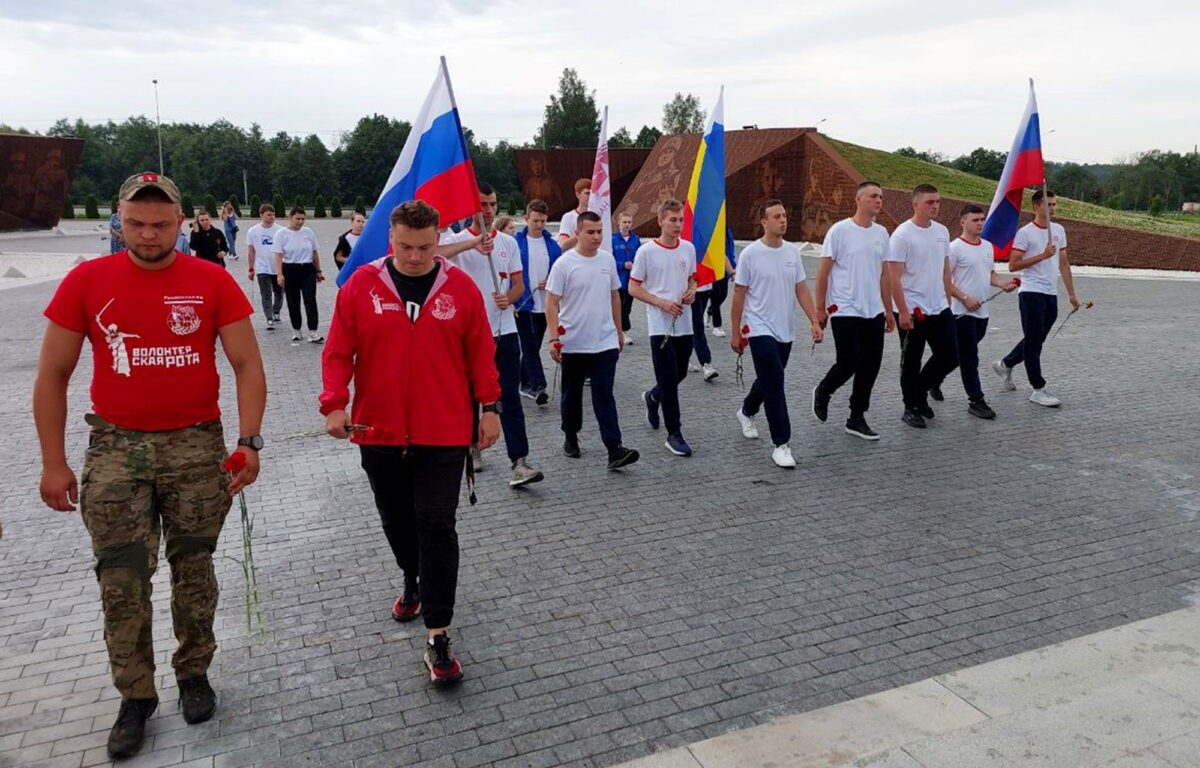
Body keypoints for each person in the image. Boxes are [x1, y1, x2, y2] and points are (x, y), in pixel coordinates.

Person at [33, 172, 265, 759]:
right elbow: (52, 375)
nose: (148, 234)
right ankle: (135, 696)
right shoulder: (87, 281)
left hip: (195, 446)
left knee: (194, 569)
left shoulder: (211, 282)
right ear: (119, 219)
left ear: (181, 221)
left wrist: (250, 442)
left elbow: (246, 364)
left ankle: (194, 673)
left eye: (161, 224)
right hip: (115, 448)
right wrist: (53, 462)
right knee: (121, 578)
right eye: (136, 223)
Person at [321, 199, 500, 687]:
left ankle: (438, 632)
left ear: (437, 240)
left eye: (425, 247)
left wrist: (490, 407)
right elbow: (339, 351)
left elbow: (481, 352)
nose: (416, 256)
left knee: (437, 524)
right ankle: (411, 577)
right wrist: (333, 403)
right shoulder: (361, 285)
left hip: (443, 432)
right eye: (405, 247)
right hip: (376, 430)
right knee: (396, 520)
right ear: (390, 241)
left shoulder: (460, 289)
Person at [439, 182, 545, 488]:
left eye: (491, 204)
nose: (487, 210)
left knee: (508, 397)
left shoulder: (508, 244)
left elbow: (518, 285)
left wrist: (509, 298)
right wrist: (471, 245)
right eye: (482, 204)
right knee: (468, 396)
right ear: (471, 207)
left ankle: (520, 461)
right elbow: (435, 253)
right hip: (465, 335)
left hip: (503, 331)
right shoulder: (455, 240)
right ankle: (472, 445)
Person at [730, 199, 822, 469]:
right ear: (764, 222)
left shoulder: (792, 253)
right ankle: (781, 444)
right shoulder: (750, 255)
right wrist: (736, 331)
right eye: (777, 216)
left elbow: (801, 289)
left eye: (784, 215)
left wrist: (814, 320)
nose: (783, 220)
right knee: (775, 384)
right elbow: (738, 294)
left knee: (770, 378)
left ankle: (746, 410)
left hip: (785, 329)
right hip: (758, 328)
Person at [546, 211, 639, 470]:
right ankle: (570, 434)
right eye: (590, 232)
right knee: (572, 395)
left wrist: (618, 331)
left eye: (599, 231)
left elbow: (614, 297)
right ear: (578, 233)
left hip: (604, 341)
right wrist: (553, 338)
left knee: (604, 395)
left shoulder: (607, 260)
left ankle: (614, 448)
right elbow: (552, 302)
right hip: (573, 342)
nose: (596, 236)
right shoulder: (564, 264)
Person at [812, 181, 894, 440]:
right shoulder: (840, 231)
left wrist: (889, 310)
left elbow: (884, 274)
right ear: (858, 199)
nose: (878, 201)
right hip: (845, 307)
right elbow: (823, 271)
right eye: (873, 196)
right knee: (850, 361)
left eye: (880, 197)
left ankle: (856, 417)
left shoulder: (881, 233)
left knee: (871, 365)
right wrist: (819, 308)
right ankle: (824, 389)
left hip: (874, 310)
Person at [924, 204, 1019, 419]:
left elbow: (990, 274)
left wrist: (1003, 284)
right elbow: (945, 280)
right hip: (961, 313)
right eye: (975, 220)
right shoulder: (954, 248)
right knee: (969, 357)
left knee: (956, 356)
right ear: (963, 222)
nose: (980, 224)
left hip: (981, 313)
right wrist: (964, 298)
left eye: (982, 219)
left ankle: (934, 380)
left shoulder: (987, 246)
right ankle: (976, 400)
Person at [993, 190, 1080, 407]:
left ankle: (1006, 363)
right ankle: (1038, 388)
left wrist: (1071, 294)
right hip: (1031, 291)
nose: (1052, 209)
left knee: (1036, 339)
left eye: (1054, 205)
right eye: (1048, 205)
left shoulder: (1058, 230)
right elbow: (1013, 264)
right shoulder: (1025, 233)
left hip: (1050, 292)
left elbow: (1064, 263)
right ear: (1036, 207)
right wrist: (1042, 255)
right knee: (1034, 342)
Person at [628, 199, 697, 456]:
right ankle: (674, 433)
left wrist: (691, 291)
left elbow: (691, 277)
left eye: (680, 220)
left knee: (680, 373)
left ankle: (653, 397)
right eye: (673, 220)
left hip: (685, 322)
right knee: (669, 379)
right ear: (661, 221)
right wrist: (660, 302)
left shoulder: (688, 249)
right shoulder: (646, 252)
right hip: (660, 325)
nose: (678, 225)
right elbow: (633, 287)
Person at [887, 184, 958, 429]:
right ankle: (911, 406)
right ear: (915, 204)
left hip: (940, 307)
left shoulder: (942, 231)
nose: (935, 206)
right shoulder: (902, 235)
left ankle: (920, 391)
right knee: (911, 361)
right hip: (913, 311)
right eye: (930, 202)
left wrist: (948, 300)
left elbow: (945, 267)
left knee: (950, 355)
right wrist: (903, 312)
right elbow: (894, 277)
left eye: (938, 202)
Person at [514, 199, 562, 407]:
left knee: (534, 343)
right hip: (523, 302)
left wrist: (551, 281)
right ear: (526, 219)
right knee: (529, 345)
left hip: (545, 304)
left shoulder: (551, 245)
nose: (539, 225)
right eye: (535, 221)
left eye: (543, 221)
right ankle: (539, 385)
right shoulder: (516, 243)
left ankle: (523, 380)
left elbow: (559, 270)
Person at [273, 206, 325, 344]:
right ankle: (297, 329)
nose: (300, 222)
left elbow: (314, 252)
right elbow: (278, 255)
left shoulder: (308, 232)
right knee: (293, 301)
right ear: (290, 218)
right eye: (297, 219)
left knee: (310, 300)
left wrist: (319, 271)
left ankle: (313, 331)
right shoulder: (281, 234)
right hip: (289, 269)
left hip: (307, 269)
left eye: (303, 219)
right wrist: (279, 274)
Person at [246, 204, 284, 330]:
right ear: (261, 215)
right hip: (263, 268)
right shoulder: (253, 231)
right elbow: (251, 250)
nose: (272, 217)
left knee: (279, 292)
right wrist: (251, 268)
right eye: (268, 214)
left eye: (273, 214)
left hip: (278, 268)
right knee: (266, 294)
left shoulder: (281, 230)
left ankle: (276, 310)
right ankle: (269, 318)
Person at [612, 212, 641, 345]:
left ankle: (622, 329)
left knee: (628, 306)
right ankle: (621, 330)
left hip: (631, 279)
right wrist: (622, 265)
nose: (627, 225)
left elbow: (640, 256)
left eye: (629, 222)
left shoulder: (635, 239)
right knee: (619, 305)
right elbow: (610, 258)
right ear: (619, 223)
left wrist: (636, 266)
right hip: (618, 279)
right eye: (624, 222)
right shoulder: (613, 239)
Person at [707, 224, 737, 337]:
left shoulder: (726, 228)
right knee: (715, 295)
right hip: (711, 266)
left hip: (725, 267)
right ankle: (717, 326)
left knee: (723, 295)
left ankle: (709, 311)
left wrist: (732, 265)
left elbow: (730, 247)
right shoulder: (709, 227)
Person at [555, 178, 591, 252]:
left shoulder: (598, 216)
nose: (590, 197)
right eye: (587, 193)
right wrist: (581, 233)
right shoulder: (568, 217)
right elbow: (562, 245)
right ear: (578, 194)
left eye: (592, 194)